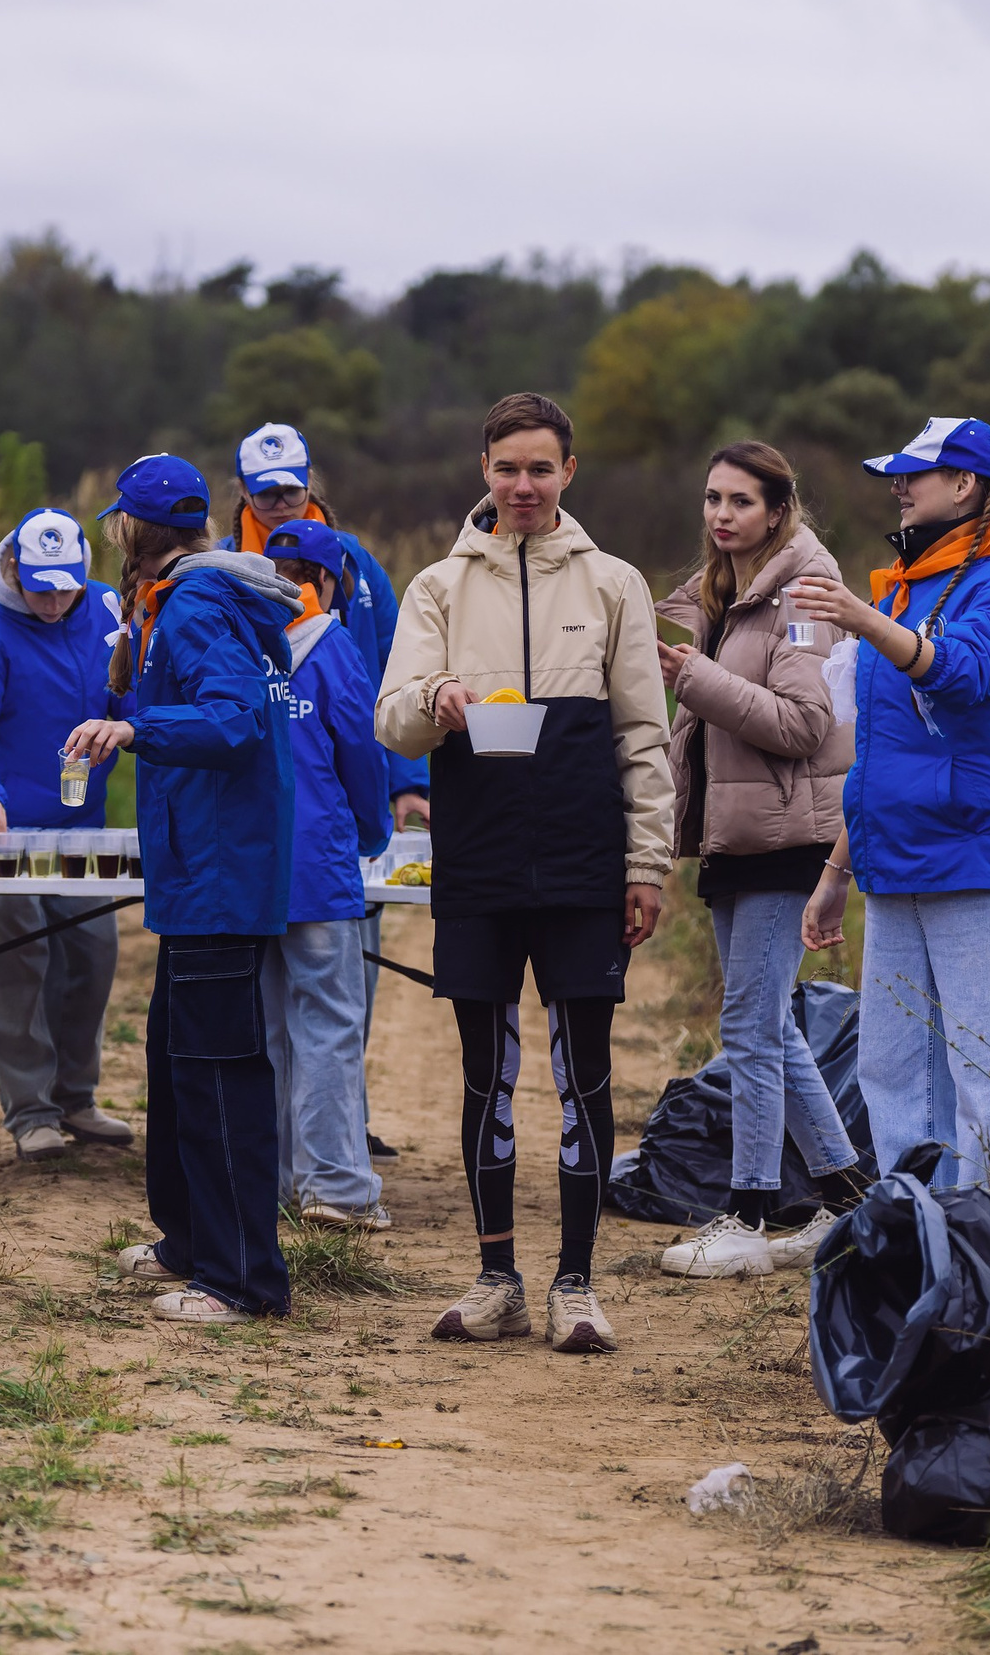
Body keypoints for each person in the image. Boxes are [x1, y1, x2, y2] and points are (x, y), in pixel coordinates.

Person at [375, 392, 673, 1353]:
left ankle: (575, 1285)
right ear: (483, 470)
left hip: (587, 860)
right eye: (508, 468)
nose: (524, 486)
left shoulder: (615, 585)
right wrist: (436, 696)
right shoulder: (438, 588)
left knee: (583, 1071)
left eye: (541, 468)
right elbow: (392, 719)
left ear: (569, 473)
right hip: (481, 855)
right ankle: (496, 1273)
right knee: (486, 1071)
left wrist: (647, 863)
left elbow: (642, 735)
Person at [788, 418, 990, 1204]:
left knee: (989, 1080)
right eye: (895, 474)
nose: (898, 487)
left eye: (915, 474)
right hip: (895, 865)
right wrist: (836, 870)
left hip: (977, 862)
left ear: (967, 485)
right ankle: (918, 1252)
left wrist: (861, 618)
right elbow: (882, 754)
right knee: (893, 1071)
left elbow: (968, 673)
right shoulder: (914, 583)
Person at [65, 453, 301, 1324]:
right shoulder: (174, 597)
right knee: (176, 1056)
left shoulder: (198, 601)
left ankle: (244, 1282)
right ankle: (190, 1242)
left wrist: (134, 726)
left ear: (133, 527)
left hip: (219, 871)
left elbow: (234, 719)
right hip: (194, 869)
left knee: (217, 1073)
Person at [652, 442, 870, 1278]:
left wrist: (697, 679)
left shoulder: (804, 594)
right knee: (769, 1025)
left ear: (779, 511)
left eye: (740, 501)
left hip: (791, 837)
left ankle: (745, 1214)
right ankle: (847, 1199)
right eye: (712, 498)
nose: (720, 515)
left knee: (748, 1021)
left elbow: (804, 725)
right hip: (736, 835)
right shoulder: (726, 592)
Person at [226, 422, 423, 1164]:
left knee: (313, 1006)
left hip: (300, 836)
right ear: (241, 489)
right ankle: (328, 1174)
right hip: (307, 843)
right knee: (311, 1009)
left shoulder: (355, 570)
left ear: (311, 483)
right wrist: (368, 824)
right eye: (266, 490)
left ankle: (315, 1146)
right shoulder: (228, 572)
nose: (281, 501)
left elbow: (392, 677)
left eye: (292, 487)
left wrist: (407, 784)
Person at [0, 508, 137, 1161]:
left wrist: (133, 728)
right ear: (14, 569)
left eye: (64, 587)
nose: (52, 602)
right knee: (15, 965)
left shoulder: (107, 609)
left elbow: (130, 696)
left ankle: (77, 1096)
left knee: (91, 956)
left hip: (80, 823)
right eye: (40, 587)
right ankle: (31, 1110)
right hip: (3, 830)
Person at [259, 518, 393, 1228]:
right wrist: (373, 832)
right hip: (319, 868)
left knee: (269, 1029)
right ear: (330, 581)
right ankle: (336, 1185)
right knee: (330, 1025)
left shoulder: (243, 642)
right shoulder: (335, 648)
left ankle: (275, 1180)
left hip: (252, 870)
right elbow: (364, 756)